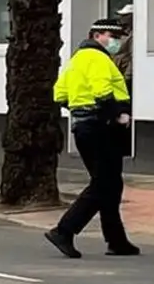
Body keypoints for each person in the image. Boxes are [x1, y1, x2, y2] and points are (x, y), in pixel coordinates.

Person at [45, 19, 138, 259]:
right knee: (103, 183)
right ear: (97, 35)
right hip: (102, 128)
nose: (116, 41)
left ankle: (116, 240)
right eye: (112, 35)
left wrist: (80, 110)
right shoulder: (98, 58)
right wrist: (117, 115)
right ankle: (64, 230)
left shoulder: (76, 59)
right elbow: (102, 91)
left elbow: (60, 93)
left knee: (110, 183)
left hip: (83, 128)